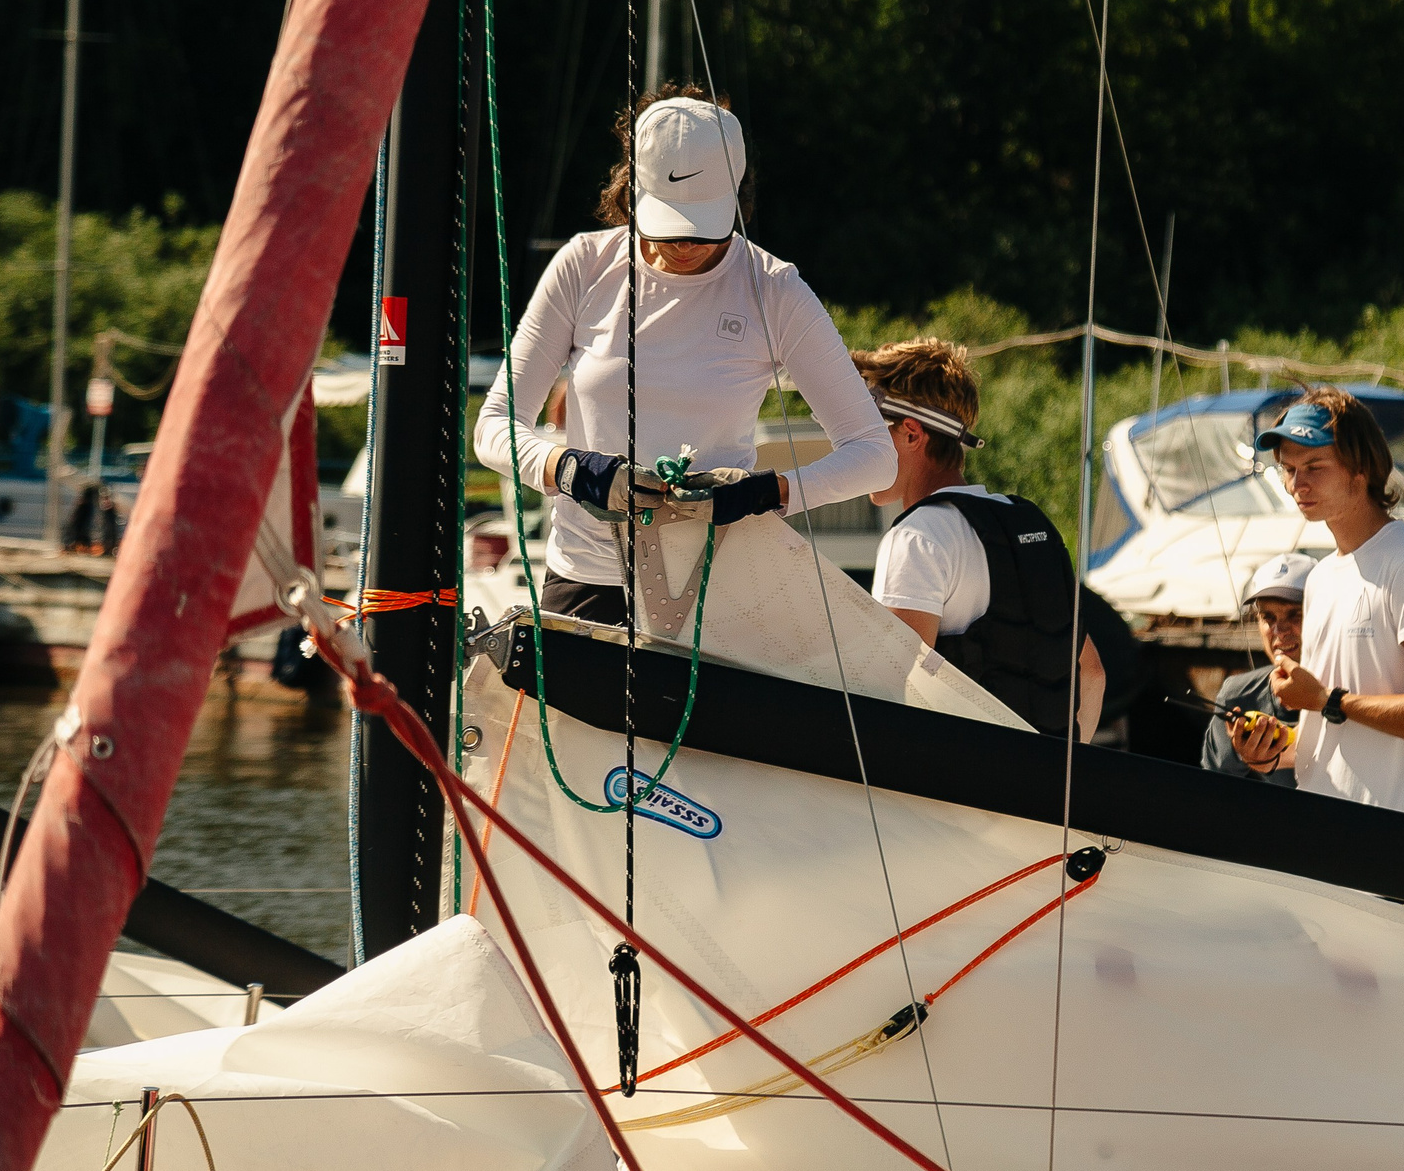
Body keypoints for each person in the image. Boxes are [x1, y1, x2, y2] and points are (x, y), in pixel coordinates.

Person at [475, 89, 891, 626]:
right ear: (636, 188)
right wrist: (573, 469)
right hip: (585, 579)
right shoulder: (583, 267)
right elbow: (493, 429)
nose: (686, 245)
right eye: (670, 223)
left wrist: (767, 492)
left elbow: (873, 454)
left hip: (720, 586)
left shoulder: (775, 289)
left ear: (736, 197)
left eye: (703, 225)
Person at [855, 337, 1110, 740]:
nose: (855, 446)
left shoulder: (916, 538)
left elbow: (890, 688)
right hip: (1041, 791)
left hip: (955, 790)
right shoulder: (1027, 522)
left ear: (911, 433)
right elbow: (1092, 674)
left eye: (866, 430)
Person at [1255, 387, 1404, 820]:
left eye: (1315, 466)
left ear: (1361, 471)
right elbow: (1337, 731)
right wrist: (1272, 753)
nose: (1298, 483)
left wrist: (1326, 699)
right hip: (1326, 841)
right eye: (1289, 469)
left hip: (1393, 853)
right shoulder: (1319, 578)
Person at [1197, 553, 1315, 787]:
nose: (1279, 630)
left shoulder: (1353, 688)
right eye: (1267, 617)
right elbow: (1214, 790)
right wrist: (1243, 755)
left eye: (1295, 614)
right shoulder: (1237, 696)